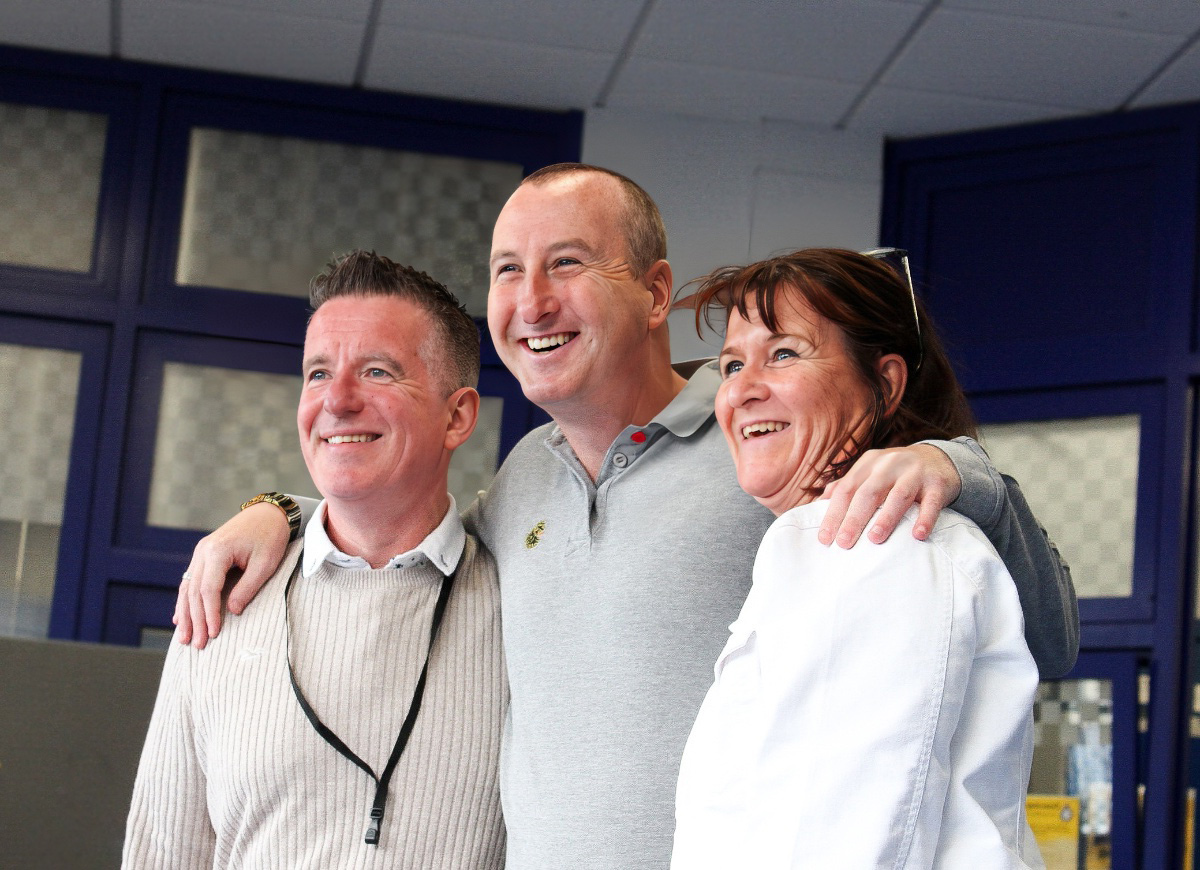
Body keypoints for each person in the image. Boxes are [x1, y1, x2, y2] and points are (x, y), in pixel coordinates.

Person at [173, 165, 1076, 869]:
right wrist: (281, 514)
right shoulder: (523, 481)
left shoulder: (770, 449)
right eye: (507, 270)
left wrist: (956, 470)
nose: (531, 301)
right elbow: (405, 534)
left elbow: (1034, 634)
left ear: (654, 293)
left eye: (567, 262)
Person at [123, 251, 506, 869]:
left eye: (378, 372)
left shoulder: (522, 602)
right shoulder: (224, 598)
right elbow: (161, 854)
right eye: (318, 373)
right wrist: (277, 509)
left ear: (457, 415)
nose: (338, 401)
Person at [673, 248, 1041, 868]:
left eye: (784, 353)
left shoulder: (883, 542)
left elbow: (854, 837)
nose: (742, 389)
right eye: (732, 363)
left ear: (886, 382)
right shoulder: (817, 547)